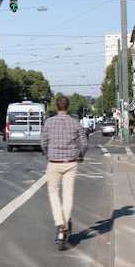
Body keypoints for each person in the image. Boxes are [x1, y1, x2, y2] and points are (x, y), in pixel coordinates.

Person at [41, 96, 88, 245]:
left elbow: (43, 143)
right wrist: (80, 155)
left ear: (56, 107)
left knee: (53, 192)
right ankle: (66, 225)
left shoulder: (49, 122)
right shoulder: (75, 122)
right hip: (70, 163)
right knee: (68, 194)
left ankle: (59, 224)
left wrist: (48, 155)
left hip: (54, 162)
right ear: (68, 107)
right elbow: (84, 143)